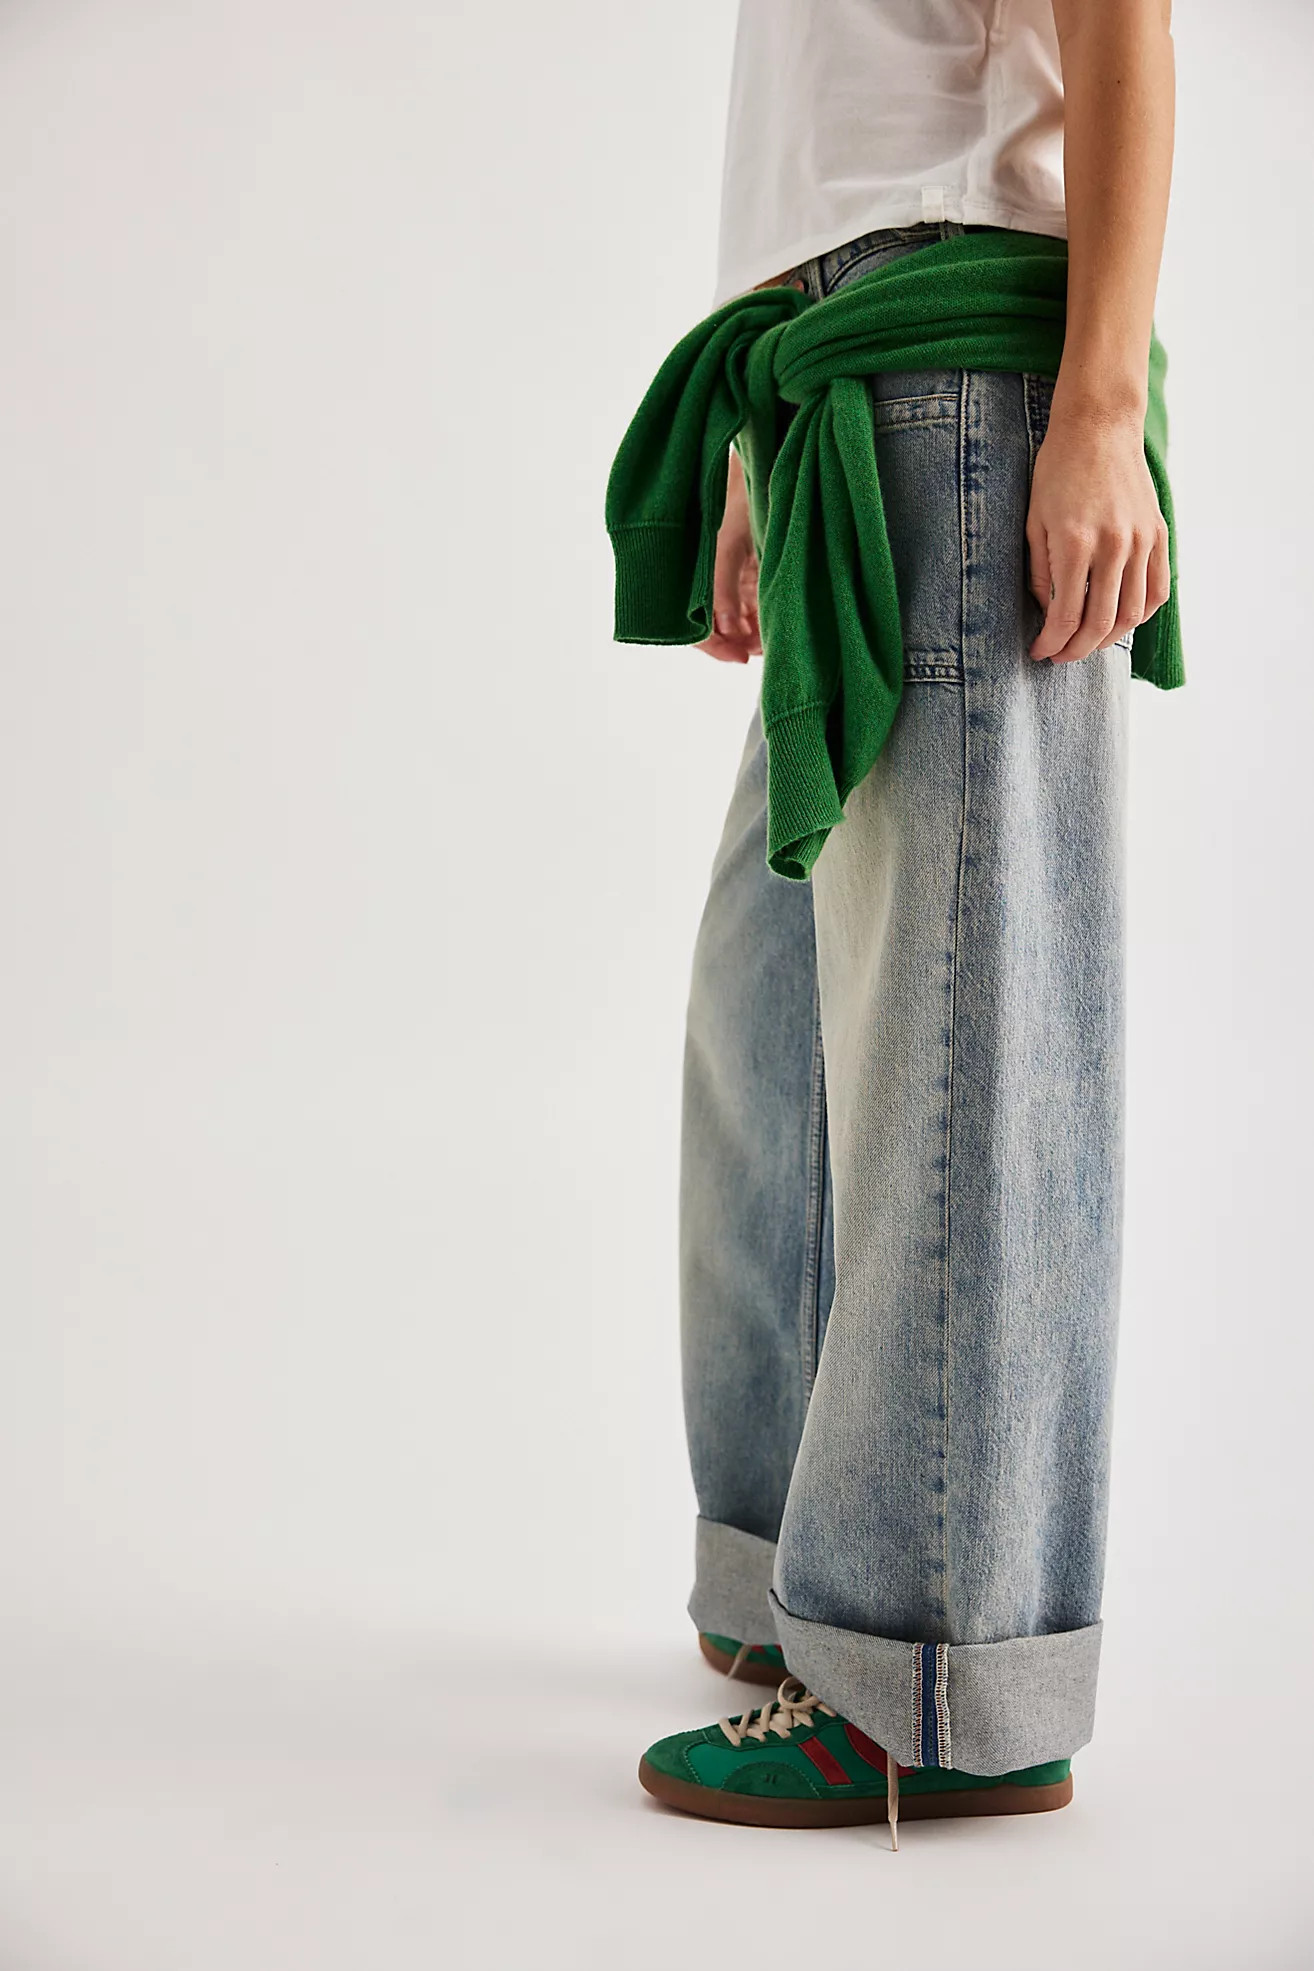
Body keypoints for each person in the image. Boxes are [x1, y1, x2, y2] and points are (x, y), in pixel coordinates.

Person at [608, 0, 1179, 1842]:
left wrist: (1099, 410)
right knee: (769, 1036)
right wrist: (755, 451)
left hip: (964, 374)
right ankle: (794, 1580)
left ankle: (938, 1678)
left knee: (960, 1042)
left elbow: (1119, 30)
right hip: (831, 371)